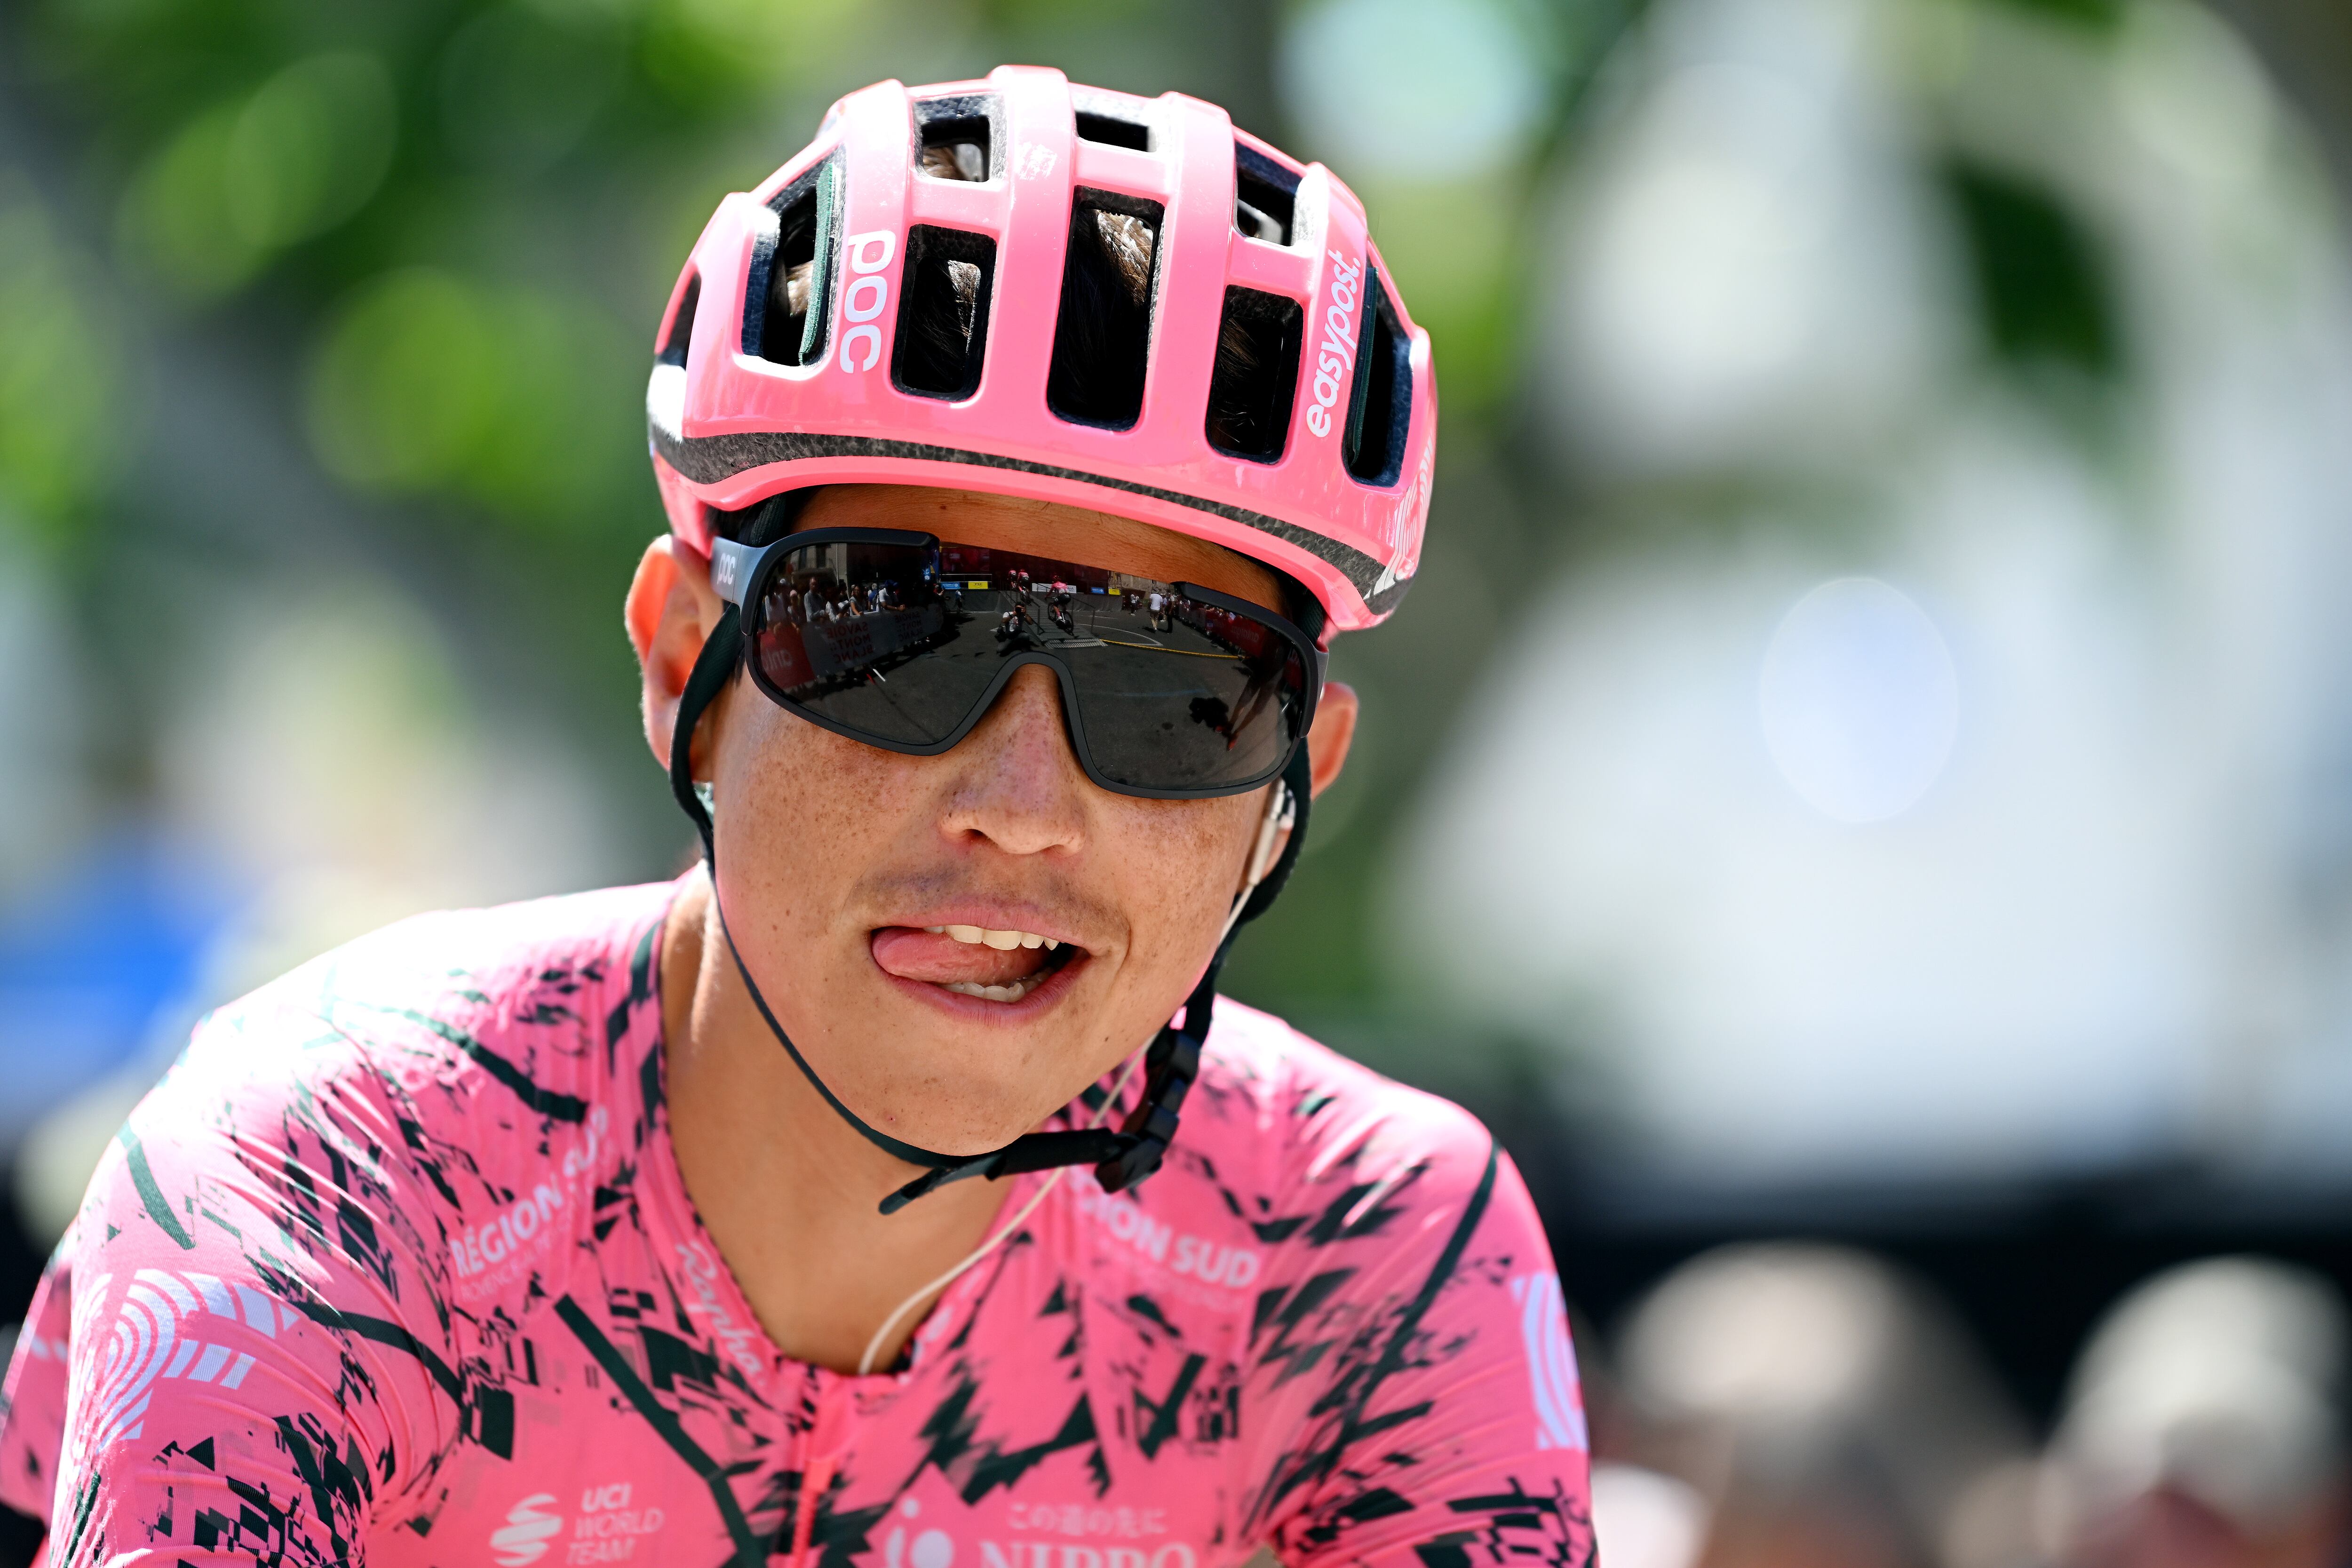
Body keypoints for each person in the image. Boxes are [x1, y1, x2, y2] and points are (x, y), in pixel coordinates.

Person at [0, 67, 1584, 1568]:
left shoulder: (1373, 1260)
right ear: (686, 658)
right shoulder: (349, 1163)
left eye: (1180, 699)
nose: (1022, 811)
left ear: (1295, 783)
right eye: (897, 638)